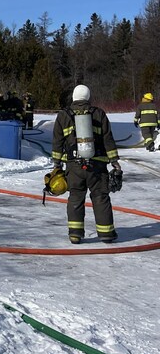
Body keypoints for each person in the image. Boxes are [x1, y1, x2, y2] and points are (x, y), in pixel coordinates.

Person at [51, 84, 120, 244]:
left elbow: (57, 142)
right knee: (100, 197)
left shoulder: (63, 115)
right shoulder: (99, 114)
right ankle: (106, 234)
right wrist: (115, 162)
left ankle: (75, 234)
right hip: (97, 166)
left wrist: (56, 164)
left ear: (74, 97)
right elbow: (108, 139)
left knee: (75, 197)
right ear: (88, 97)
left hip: (74, 166)